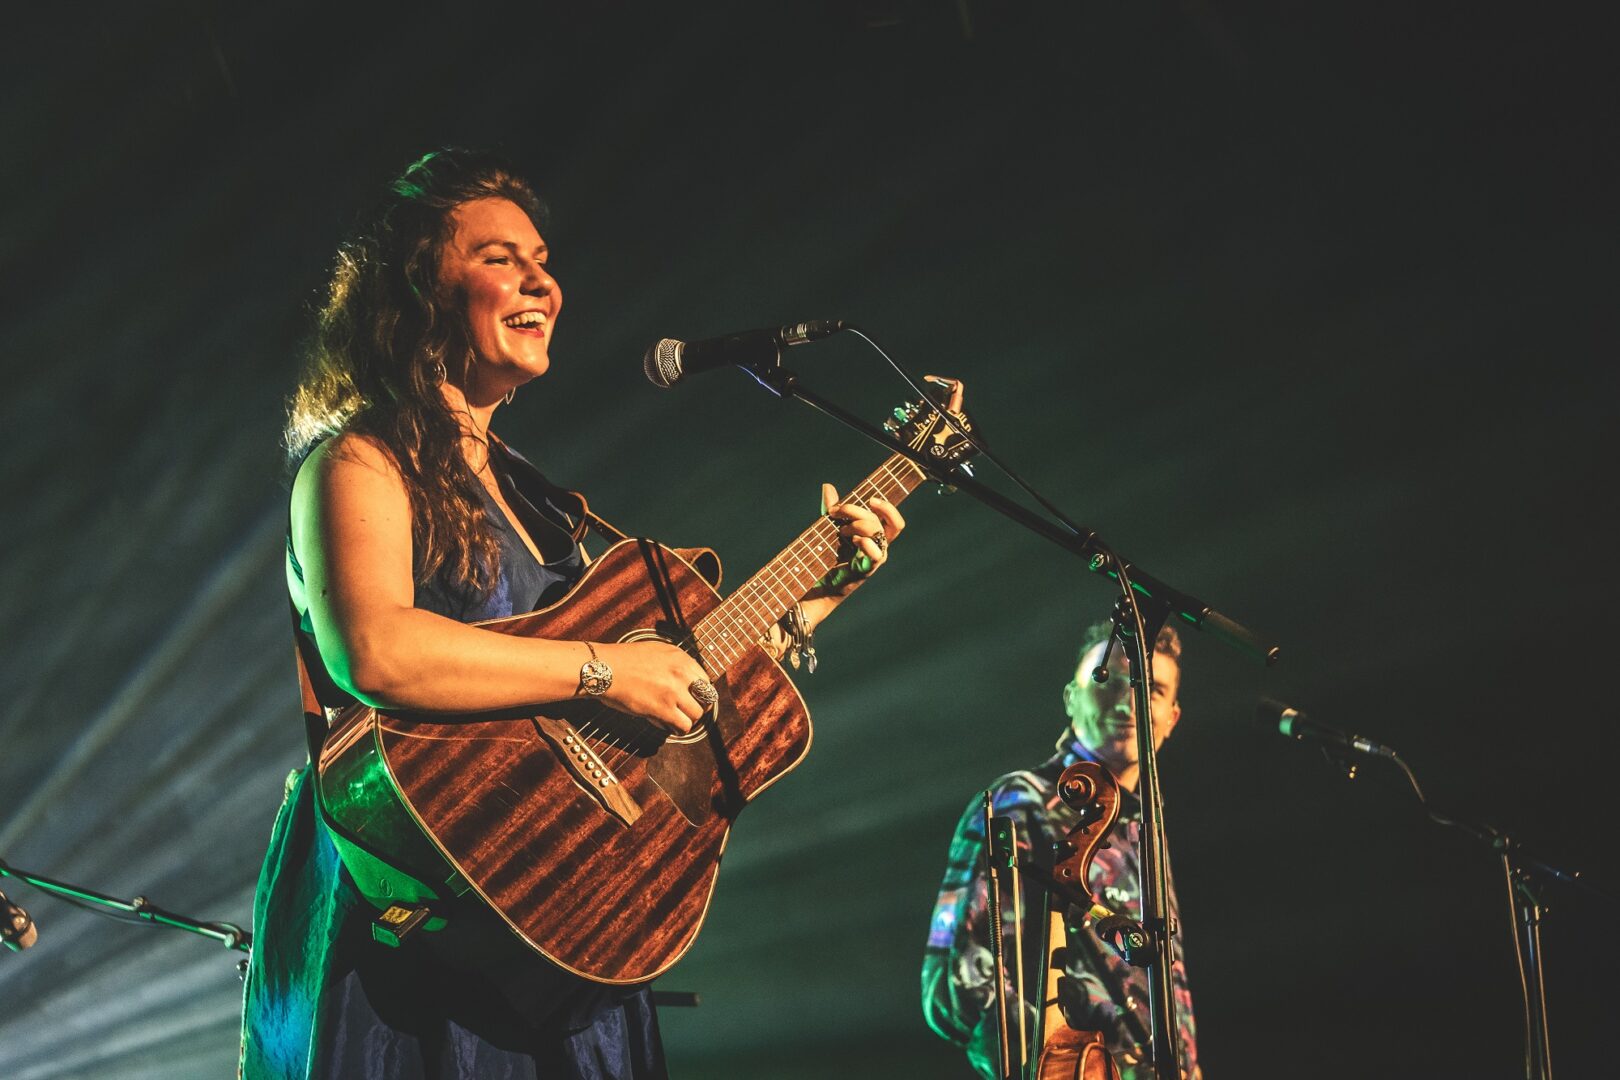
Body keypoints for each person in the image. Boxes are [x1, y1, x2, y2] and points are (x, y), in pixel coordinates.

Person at [239, 147, 918, 1080]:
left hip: (568, 919)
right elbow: (378, 650)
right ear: (418, 289)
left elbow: (658, 683)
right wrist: (606, 667)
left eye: (543, 260)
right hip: (426, 927)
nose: (541, 282)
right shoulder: (357, 462)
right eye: (498, 257)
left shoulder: (539, 503)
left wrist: (817, 589)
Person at [922, 620, 1200, 1079]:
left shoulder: (1148, 830)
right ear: (1071, 697)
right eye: (1107, 680)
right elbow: (959, 978)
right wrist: (1064, 1065)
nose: (1130, 701)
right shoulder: (1021, 801)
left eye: (1151, 689)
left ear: (1171, 718)